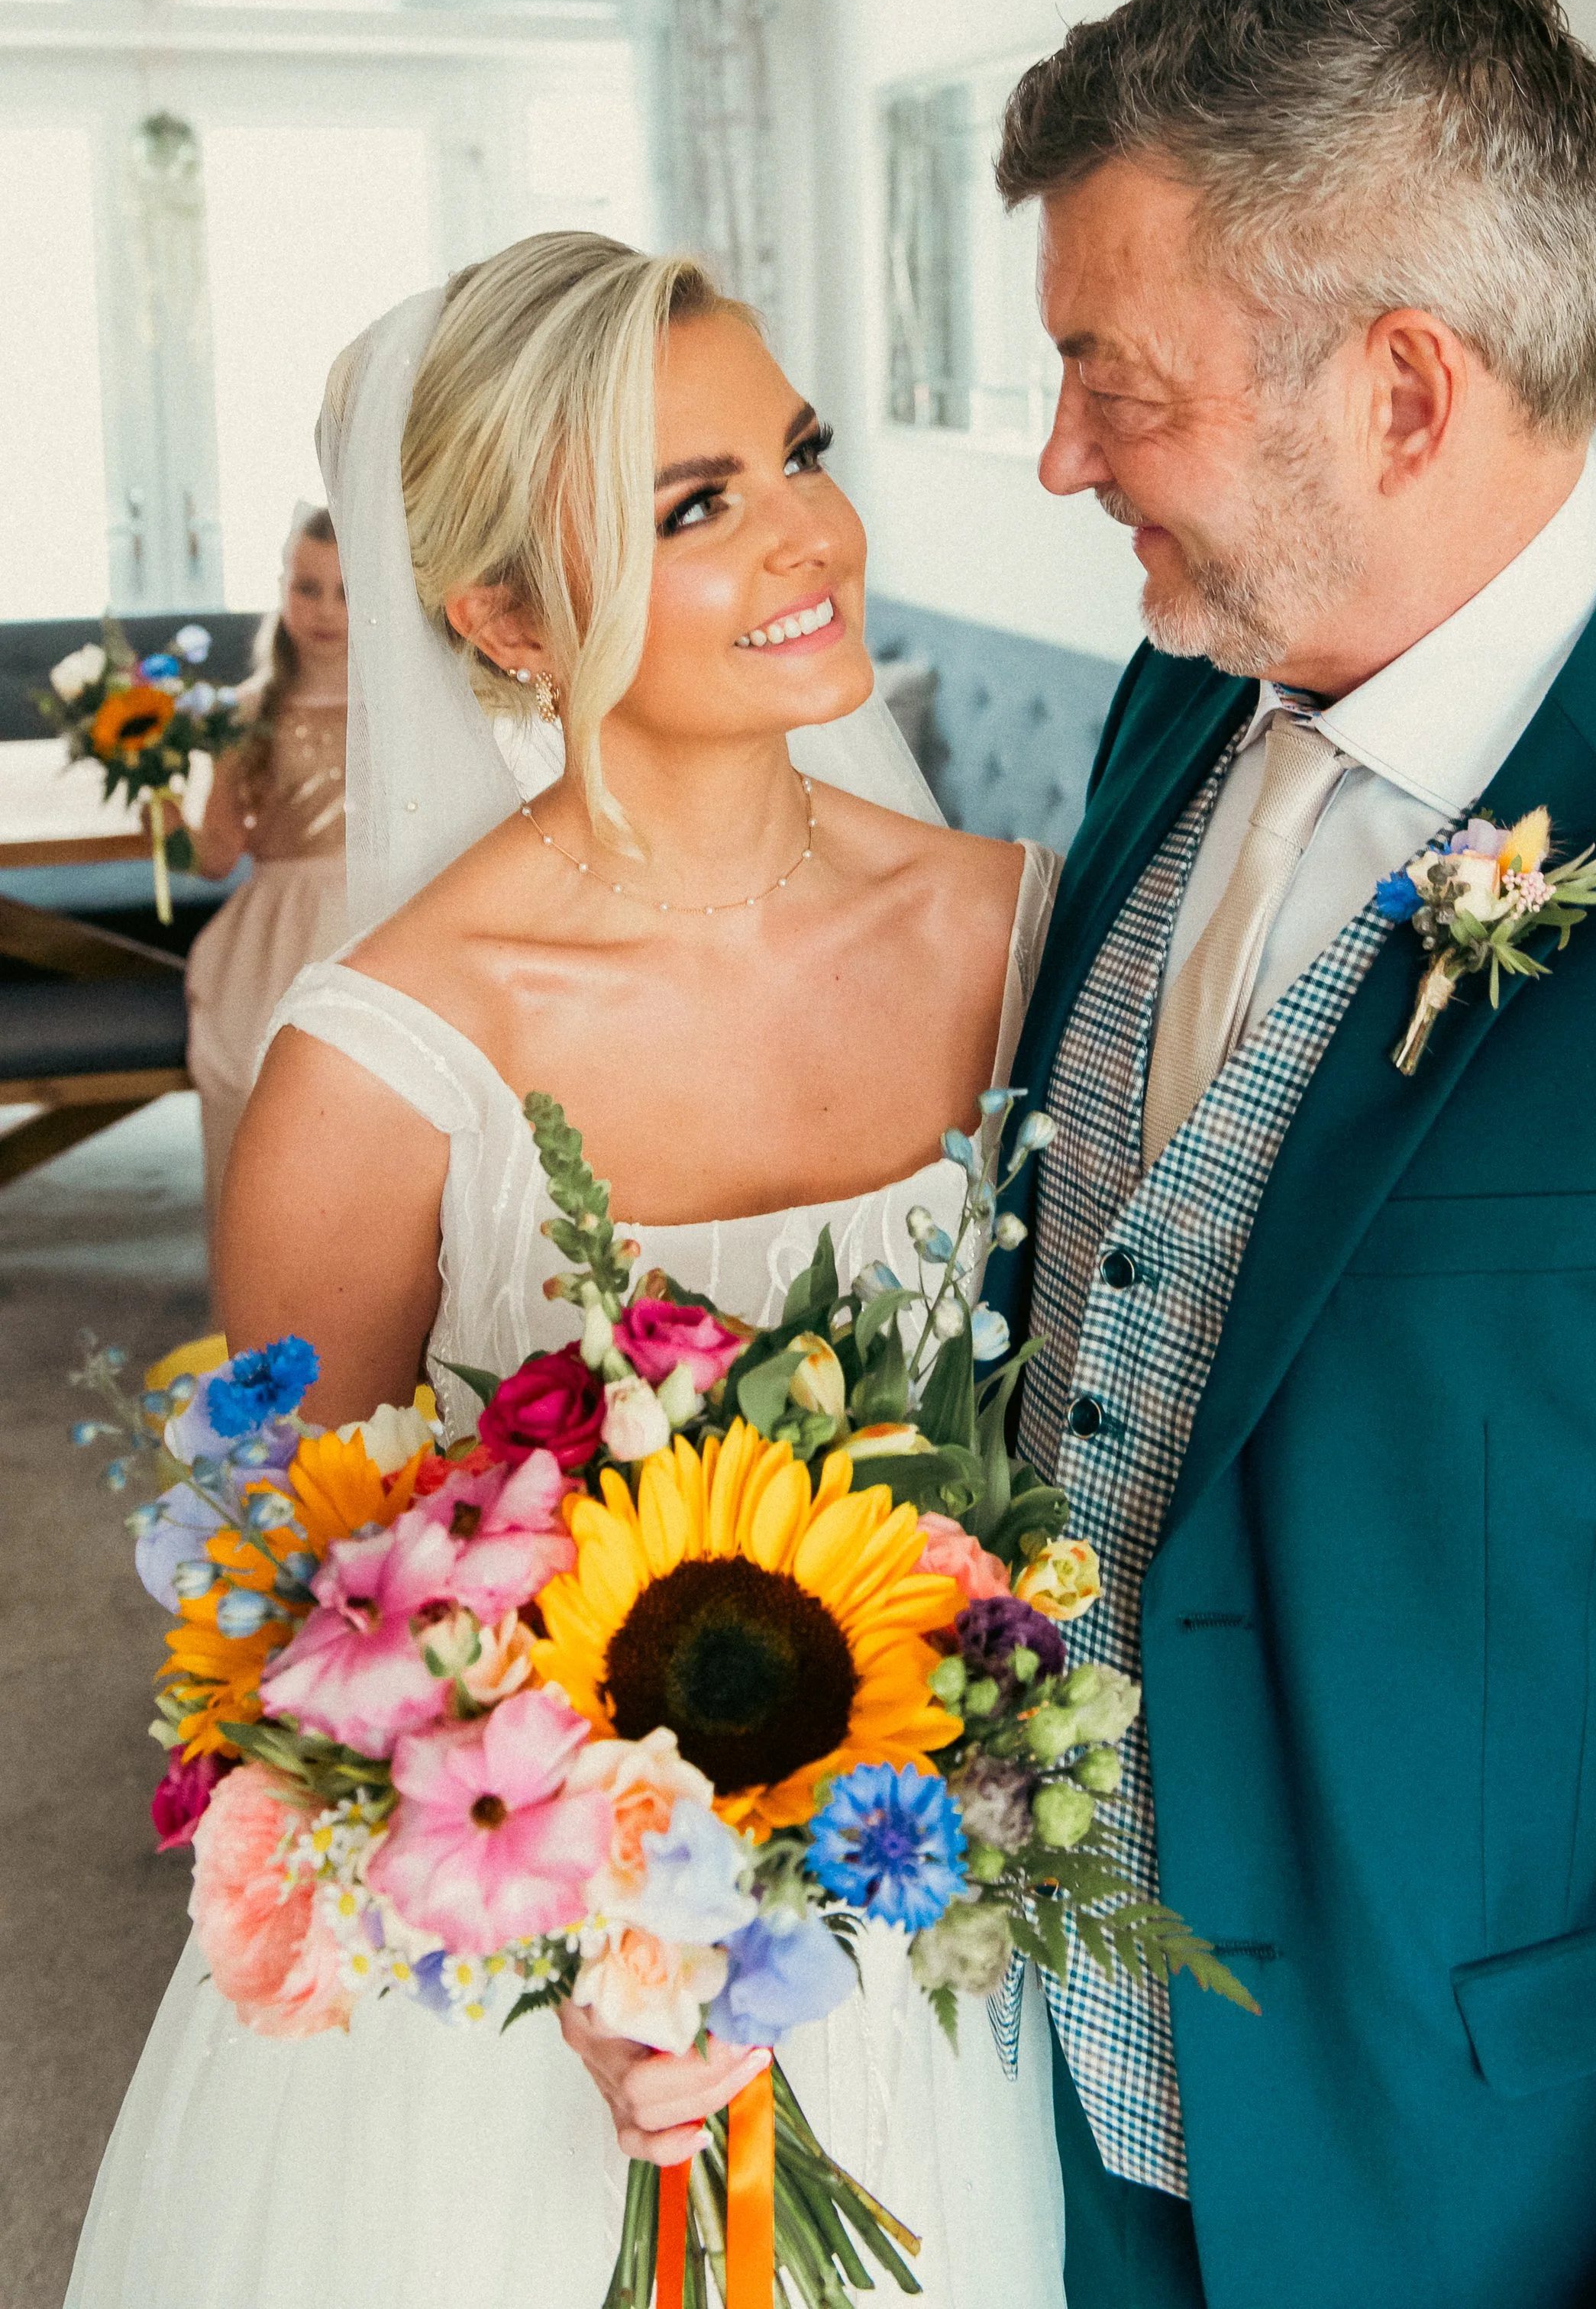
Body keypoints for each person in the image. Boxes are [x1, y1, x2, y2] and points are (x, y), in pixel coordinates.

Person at [990, 0, 1596, 2307]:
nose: (1057, 451)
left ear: (1398, 390)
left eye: (1113, 373)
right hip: (1019, 2121)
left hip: (1483, 2200)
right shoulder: (1168, 700)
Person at [65, 235, 1068, 2309]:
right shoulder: (376, 1065)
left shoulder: (1020, 936)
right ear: (504, 616)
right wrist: (585, 1956)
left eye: (794, 451)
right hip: (517, 2031)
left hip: (920, 1949)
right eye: (695, 505)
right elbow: (307, 1641)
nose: (808, 533)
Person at [185, 507, 349, 1261]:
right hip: (278, 929)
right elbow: (218, 856)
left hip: (376, 918)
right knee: (257, 1080)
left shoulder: (407, 710)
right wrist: (165, 792)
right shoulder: (249, 712)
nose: (322, 609)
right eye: (305, 586)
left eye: (345, 591)